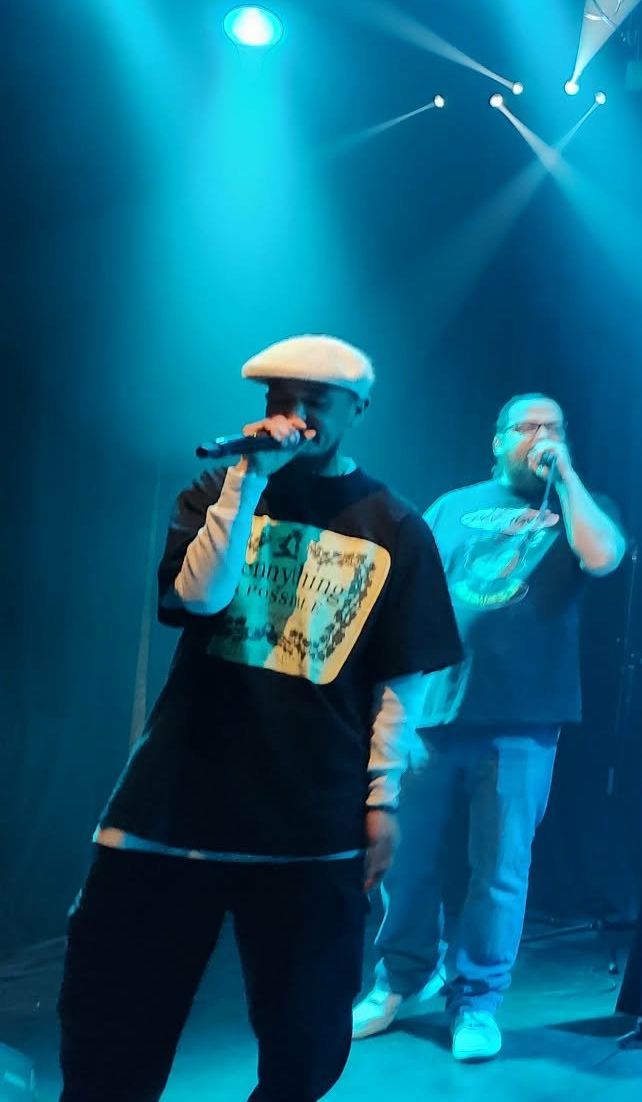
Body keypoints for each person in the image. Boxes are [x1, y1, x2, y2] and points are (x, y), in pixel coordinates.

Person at [58, 335, 462, 1102]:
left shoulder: (398, 528)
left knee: (306, 1042)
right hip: (175, 807)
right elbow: (200, 599)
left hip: (308, 821)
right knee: (111, 1024)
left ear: (358, 409)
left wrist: (382, 800)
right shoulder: (219, 487)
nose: (294, 416)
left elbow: (399, 681)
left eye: (315, 402)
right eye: (280, 400)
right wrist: (247, 481)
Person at [352, 393, 627, 1063]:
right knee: (406, 860)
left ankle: (476, 1001)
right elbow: (409, 600)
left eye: (556, 426)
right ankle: (399, 980)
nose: (543, 435)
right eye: (530, 426)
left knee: (499, 870)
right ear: (498, 440)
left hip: (524, 718)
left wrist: (567, 478)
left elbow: (604, 557)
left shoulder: (582, 506)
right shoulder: (450, 506)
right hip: (436, 708)